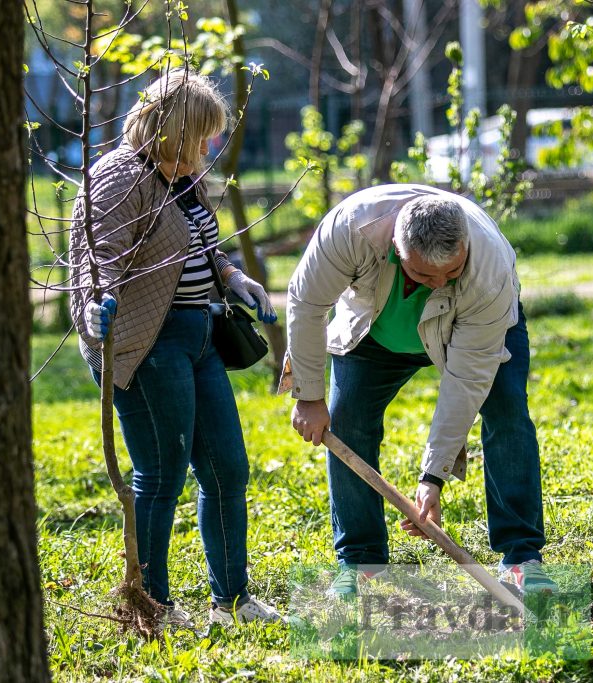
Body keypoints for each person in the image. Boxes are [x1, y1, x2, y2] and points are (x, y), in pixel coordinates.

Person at [69, 69, 279, 627]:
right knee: (160, 475)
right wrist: (97, 304)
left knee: (227, 469)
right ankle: (152, 606)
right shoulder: (120, 176)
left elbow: (203, 245)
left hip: (201, 336)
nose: (210, 146)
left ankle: (232, 598)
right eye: (202, 134)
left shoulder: (183, 175)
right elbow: (98, 255)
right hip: (145, 346)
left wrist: (235, 280)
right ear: (172, 130)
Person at [282, 184, 553, 596]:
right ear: (396, 247)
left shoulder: (489, 269)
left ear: (465, 249)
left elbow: (467, 380)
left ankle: (521, 556)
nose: (440, 282)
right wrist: (308, 395)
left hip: (470, 328)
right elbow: (306, 303)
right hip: (374, 331)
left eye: (452, 272)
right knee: (348, 418)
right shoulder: (351, 229)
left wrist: (433, 477)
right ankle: (361, 562)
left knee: (507, 413)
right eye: (426, 274)